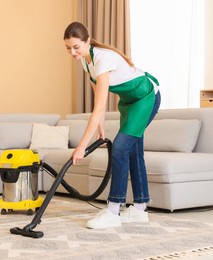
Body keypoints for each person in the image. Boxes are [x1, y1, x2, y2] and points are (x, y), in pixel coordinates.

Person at [63, 21, 161, 229]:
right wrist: (100, 125)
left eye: (76, 47)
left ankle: (113, 210)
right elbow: (98, 98)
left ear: (87, 41)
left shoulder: (102, 59)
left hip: (145, 97)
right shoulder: (85, 60)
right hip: (128, 103)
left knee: (119, 148)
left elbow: (98, 109)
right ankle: (140, 208)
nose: (72, 52)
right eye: (68, 48)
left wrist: (81, 147)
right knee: (133, 151)